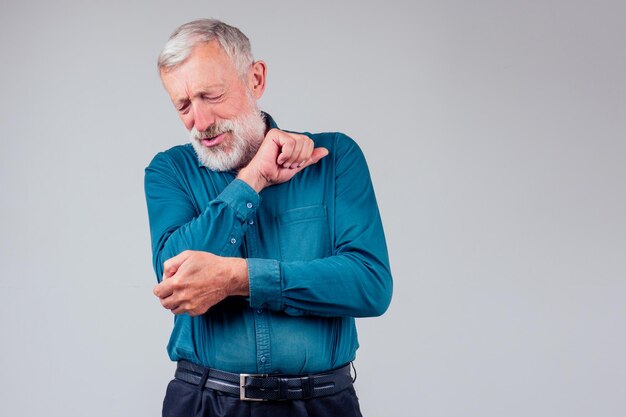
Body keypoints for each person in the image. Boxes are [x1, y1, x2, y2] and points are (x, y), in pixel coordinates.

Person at [144, 18, 393, 417]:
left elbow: (370, 284)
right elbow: (177, 282)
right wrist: (254, 178)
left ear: (255, 79)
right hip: (205, 404)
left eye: (211, 95)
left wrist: (239, 278)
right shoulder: (169, 172)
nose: (201, 122)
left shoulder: (334, 159)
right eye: (184, 105)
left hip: (322, 404)